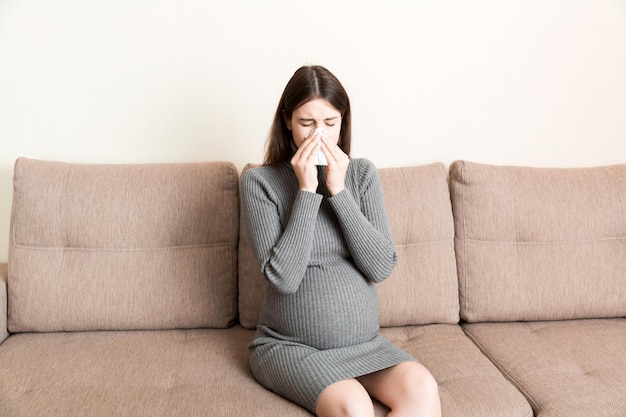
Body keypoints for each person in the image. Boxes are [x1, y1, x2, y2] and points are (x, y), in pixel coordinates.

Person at [241, 65, 442, 417]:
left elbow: (380, 266)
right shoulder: (260, 182)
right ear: (287, 120)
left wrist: (338, 190)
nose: (319, 135)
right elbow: (283, 278)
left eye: (330, 123)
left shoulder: (362, 174)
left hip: (365, 346)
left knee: (422, 386)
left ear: (343, 122)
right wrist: (307, 191)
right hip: (291, 347)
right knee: (354, 404)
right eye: (307, 123)